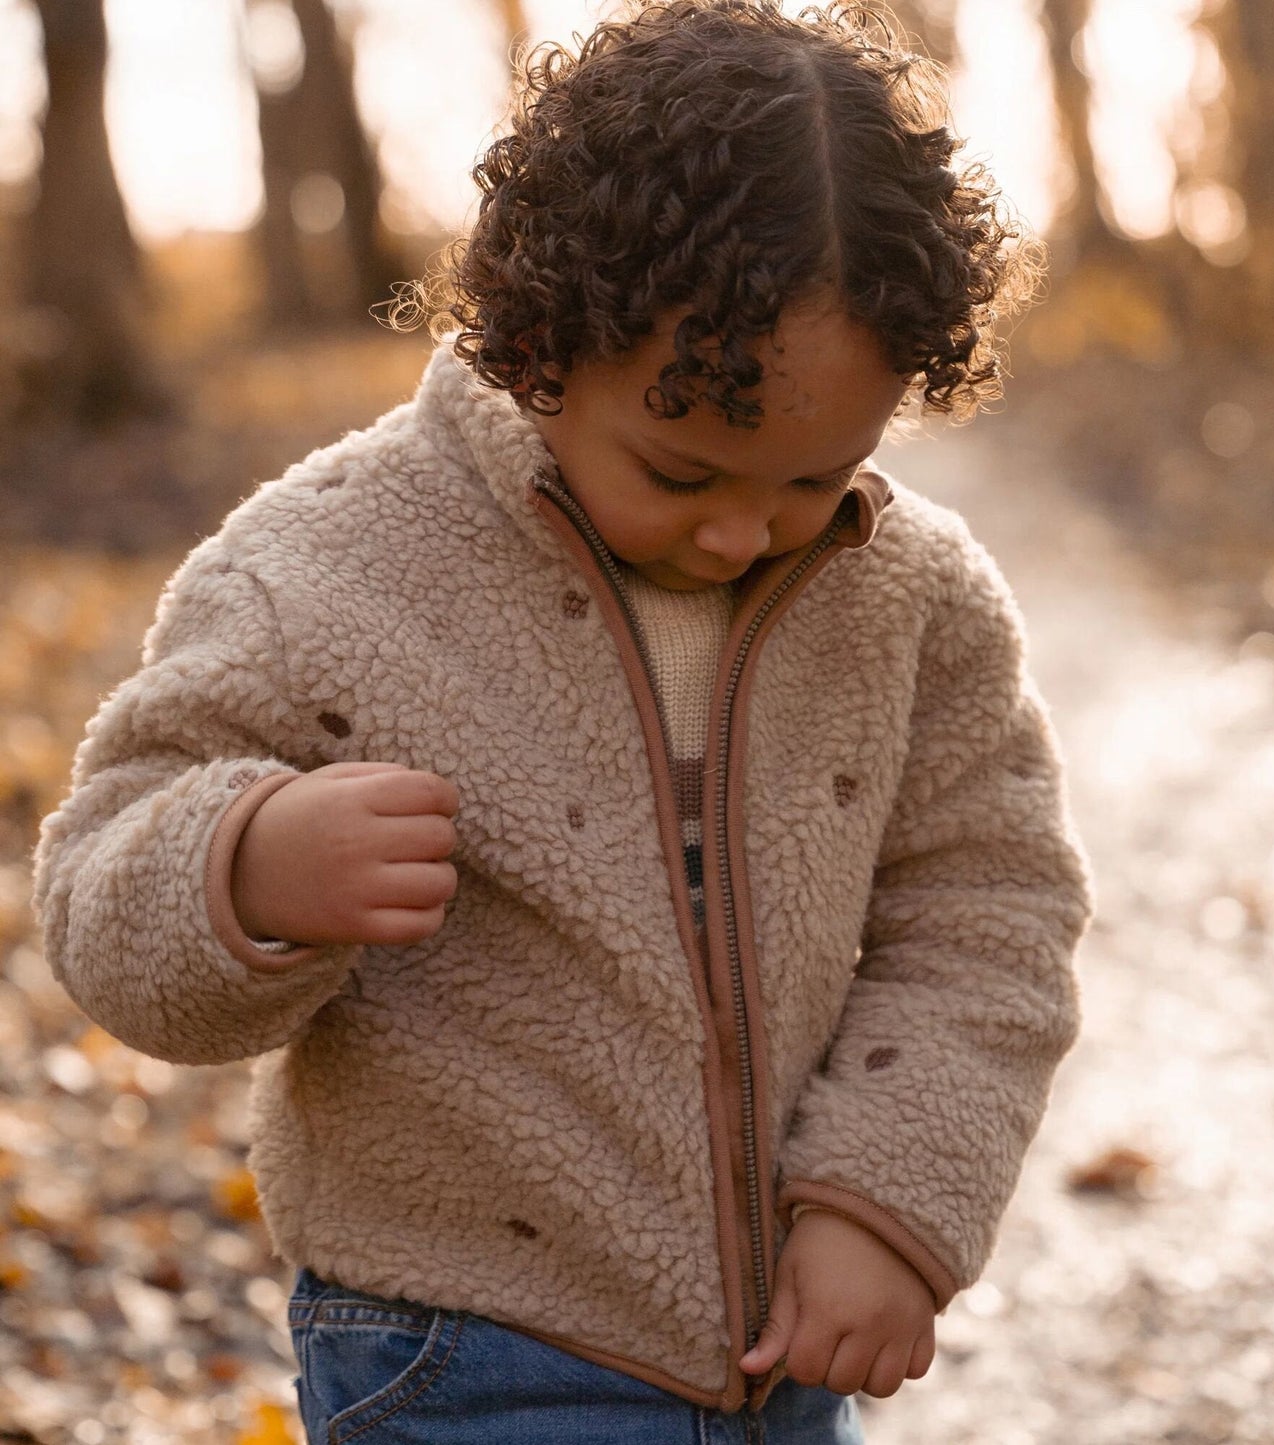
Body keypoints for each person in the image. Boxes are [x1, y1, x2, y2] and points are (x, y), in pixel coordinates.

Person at [29, 2, 1092, 1441]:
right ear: (536, 345)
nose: (739, 532)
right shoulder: (320, 570)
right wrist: (245, 863)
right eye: (680, 469)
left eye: (806, 478)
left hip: (791, 1347)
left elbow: (990, 906)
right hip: (459, 1346)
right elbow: (96, 888)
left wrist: (889, 1200)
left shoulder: (912, 596)